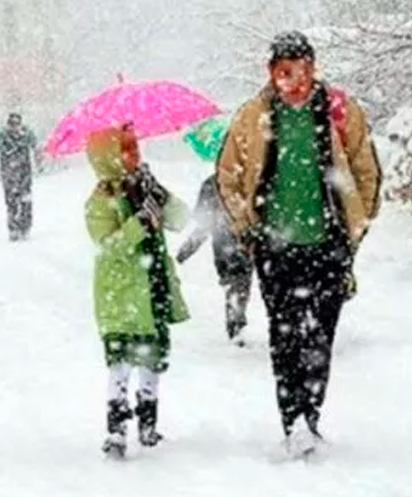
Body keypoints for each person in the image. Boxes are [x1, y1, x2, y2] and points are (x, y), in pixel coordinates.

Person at [216, 31, 381, 458]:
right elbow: (229, 176)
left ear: (314, 69)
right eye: (285, 72)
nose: (296, 81)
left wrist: (355, 225)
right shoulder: (253, 116)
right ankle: (293, 419)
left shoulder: (339, 111)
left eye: (304, 70)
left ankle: (312, 413)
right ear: (271, 73)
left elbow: (366, 167)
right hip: (275, 247)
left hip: (327, 243)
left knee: (321, 335)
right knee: (285, 335)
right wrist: (246, 225)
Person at [84, 124, 191, 458]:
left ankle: (148, 423)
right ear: (110, 158)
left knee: (152, 359)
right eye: (126, 149)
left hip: (153, 286)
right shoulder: (100, 202)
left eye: (135, 147)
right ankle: (116, 429)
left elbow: (180, 218)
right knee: (120, 362)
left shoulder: (143, 188)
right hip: (123, 295)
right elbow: (108, 245)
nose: (135, 154)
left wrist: (159, 195)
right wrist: (138, 224)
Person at [175, 174, 253, 346]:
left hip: (223, 246)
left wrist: (186, 250)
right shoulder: (247, 180)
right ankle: (236, 324)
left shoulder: (210, 184)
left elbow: (204, 226)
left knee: (234, 284)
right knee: (239, 284)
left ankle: (236, 323)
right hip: (241, 244)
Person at [0, 113, 37, 241]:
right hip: (23, 171)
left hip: (9, 172)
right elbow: (35, 146)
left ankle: (15, 228)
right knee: (24, 200)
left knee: (13, 201)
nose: (14, 128)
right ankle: (23, 227)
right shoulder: (26, 133)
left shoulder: (2, 134)